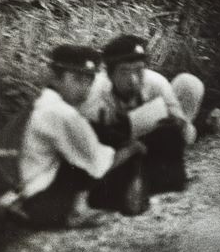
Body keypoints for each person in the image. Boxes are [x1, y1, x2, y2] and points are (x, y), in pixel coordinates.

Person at [0, 44, 146, 228]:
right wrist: (132, 149)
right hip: (28, 206)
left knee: (87, 138)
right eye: (77, 79)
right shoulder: (62, 113)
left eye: (89, 80)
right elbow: (98, 164)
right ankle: (77, 212)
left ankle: (77, 207)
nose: (84, 87)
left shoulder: (42, 102)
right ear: (55, 78)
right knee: (91, 150)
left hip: (7, 196)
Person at [80, 34, 205, 195]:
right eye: (124, 71)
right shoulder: (93, 92)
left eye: (139, 70)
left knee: (189, 83)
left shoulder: (156, 83)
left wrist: (180, 125)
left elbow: (188, 135)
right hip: (113, 148)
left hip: (149, 142)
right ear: (109, 74)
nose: (133, 80)